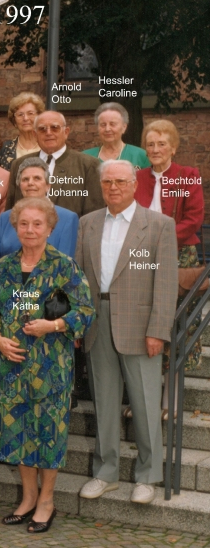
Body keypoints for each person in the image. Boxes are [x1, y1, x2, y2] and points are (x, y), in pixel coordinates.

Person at [0, 197, 94, 533]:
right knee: (17, 434)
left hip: (51, 368)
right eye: (23, 224)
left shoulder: (64, 267)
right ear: (15, 228)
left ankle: (47, 500)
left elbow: (86, 312)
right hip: (12, 368)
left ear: (49, 228)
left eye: (37, 224)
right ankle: (28, 497)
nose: (30, 230)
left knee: (49, 435)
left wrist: (54, 325)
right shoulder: (2, 268)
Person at [77, 160, 178, 506]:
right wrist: (79, 321)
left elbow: (166, 282)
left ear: (135, 184)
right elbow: (80, 277)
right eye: (108, 182)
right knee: (104, 401)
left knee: (146, 402)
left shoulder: (159, 225)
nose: (114, 188)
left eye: (121, 181)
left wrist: (158, 330)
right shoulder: (88, 223)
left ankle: (148, 476)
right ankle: (105, 473)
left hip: (140, 323)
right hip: (97, 320)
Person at [135, 120, 204, 385]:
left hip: (180, 254)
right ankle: (148, 389)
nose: (155, 149)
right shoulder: (137, 177)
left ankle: (170, 395)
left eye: (161, 144)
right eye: (150, 144)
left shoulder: (188, 174)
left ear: (173, 148)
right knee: (145, 317)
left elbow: (194, 218)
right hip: (142, 254)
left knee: (177, 319)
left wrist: (162, 242)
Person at [5, 111, 106, 215]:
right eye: (42, 129)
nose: (48, 133)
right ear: (35, 135)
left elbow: (94, 215)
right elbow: (11, 212)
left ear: (66, 132)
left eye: (55, 128)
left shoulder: (87, 165)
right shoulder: (18, 164)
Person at [0, 158, 79, 262]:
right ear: (20, 185)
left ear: (48, 186)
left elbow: (66, 263)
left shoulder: (67, 218)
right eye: (25, 179)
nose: (30, 183)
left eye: (37, 178)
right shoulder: (5, 218)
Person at [83, 103, 149, 168]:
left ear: (124, 127)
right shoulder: (85, 157)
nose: (107, 129)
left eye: (112, 124)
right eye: (103, 125)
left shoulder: (141, 155)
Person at [0, 92, 44, 170]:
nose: (25, 118)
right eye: (20, 114)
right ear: (14, 121)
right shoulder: (3, 150)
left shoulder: (48, 147)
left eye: (30, 113)